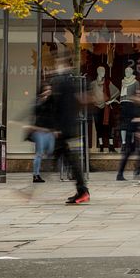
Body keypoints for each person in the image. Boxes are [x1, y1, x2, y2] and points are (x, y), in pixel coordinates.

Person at [50, 55, 90, 204]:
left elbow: (63, 107)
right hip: (66, 126)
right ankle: (82, 190)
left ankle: (82, 190)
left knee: (68, 159)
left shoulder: (62, 82)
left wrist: (58, 128)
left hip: (63, 127)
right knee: (66, 157)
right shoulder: (69, 81)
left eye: (58, 62)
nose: (57, 66)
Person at [27, 84, 55, 183]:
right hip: (39, 131)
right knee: (39, 153)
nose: (48, 91)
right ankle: (36, 175)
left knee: (50, 150)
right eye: (46, 90)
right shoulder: (39, 101)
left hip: (49, 131)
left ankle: (45, 170)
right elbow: (35, 112)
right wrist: (43, 99)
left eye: (50, 89)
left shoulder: (52, 102)